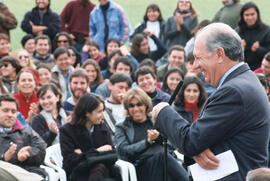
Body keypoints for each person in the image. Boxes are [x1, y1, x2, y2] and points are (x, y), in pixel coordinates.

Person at [152, 23, 270, 180]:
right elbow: (200, 140)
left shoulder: (233, 91)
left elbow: (191, 141)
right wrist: (196, 151)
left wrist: (161, 111)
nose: (195, 66)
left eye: (198, 57)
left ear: (220, 54)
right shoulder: (244, 81)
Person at [115, 87, 188, 181]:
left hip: (166, 163)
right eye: (131, 106)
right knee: (162, 156)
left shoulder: (156, 121)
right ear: (127, 109)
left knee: (164, 159)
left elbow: (172, 145)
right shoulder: (122, 127)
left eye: (139, 104)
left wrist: (159, 137)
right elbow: (123, 150)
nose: (135, 109)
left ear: (146, 105)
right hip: (141, 168)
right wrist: (147, 142)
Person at [60, 93, 120, 180]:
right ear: (87, 113)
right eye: (99, 112)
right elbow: (69, 161)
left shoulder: (102, 127)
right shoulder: (67, 130)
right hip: (79, 173)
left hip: (104, 172)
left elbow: (113, 155)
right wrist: (98, 151)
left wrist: (84, 155)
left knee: (100, 168)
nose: (103, 116)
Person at [0, 94, 47, 179]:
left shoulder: (26, 131)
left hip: (28, 172)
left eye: (13, 111)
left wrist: (28, 155)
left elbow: (41, 150)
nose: (10, 115)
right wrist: (4, 158)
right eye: (5, 110)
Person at [237, 2, 270, 70]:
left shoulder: (266, 31)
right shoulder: (237, 32)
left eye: (252, 14)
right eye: (247, 15)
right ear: (242, 16)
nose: (250, 17)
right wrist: (240, 48)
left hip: (261, 70)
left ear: (257, 14)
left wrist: (259, 49)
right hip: (241, 69)